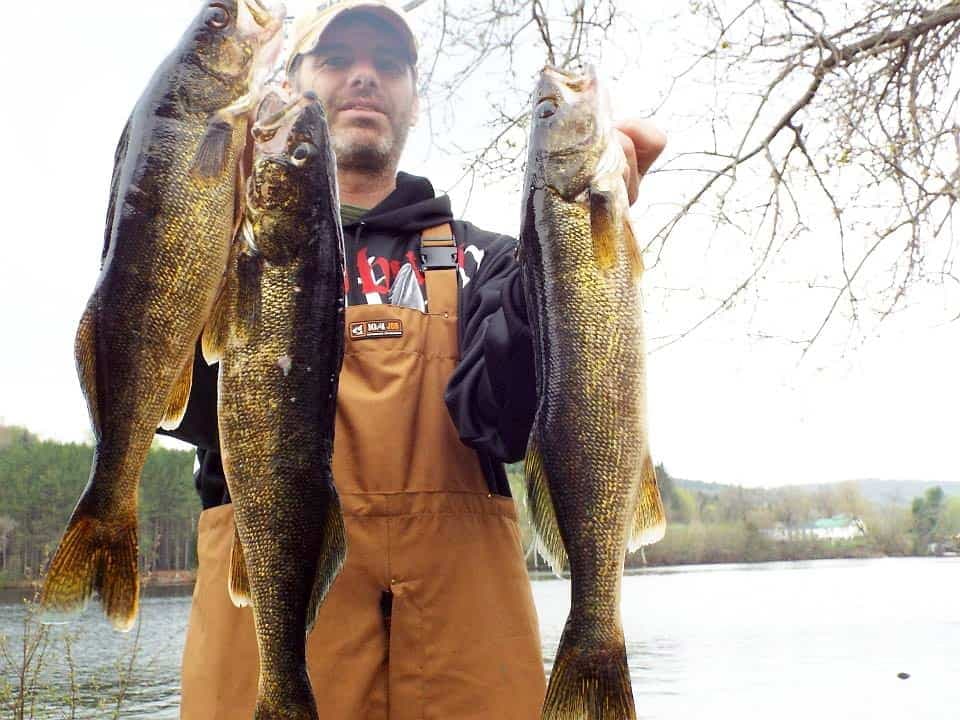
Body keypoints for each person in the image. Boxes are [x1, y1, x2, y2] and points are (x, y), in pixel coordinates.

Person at [164, 1, 667, 718]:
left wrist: (566, 254)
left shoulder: (488, 263)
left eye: (389, 64)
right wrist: (197, 213)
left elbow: (505, 420)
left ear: (415, 101)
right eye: (337, 59)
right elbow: (173, 404)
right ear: (288, 85)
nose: (364, 76)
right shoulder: (225, 253)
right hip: (268, 648)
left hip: (461, 665)